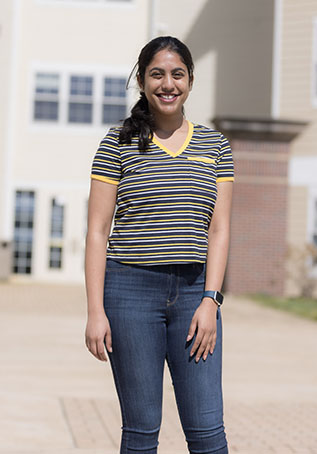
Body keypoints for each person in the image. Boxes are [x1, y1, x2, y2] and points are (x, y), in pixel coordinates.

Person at [84, 36, 234, 454]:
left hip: (193, 296)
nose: (168, 84)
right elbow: (97, 231)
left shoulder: (215, 146)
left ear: (189, 81)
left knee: (207, 435)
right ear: (142, 82)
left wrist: (211, 301)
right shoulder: (116, 144)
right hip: (129, 294)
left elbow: (219, 230)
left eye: (177, 74)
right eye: (157, 74)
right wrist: (96, 312)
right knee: (141, 432)